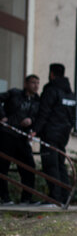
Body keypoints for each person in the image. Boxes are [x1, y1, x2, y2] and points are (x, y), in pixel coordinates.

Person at [32, 63, 76, 204]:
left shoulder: (51, 90)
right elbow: (73, 116)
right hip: (63, 134)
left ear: (51, 74)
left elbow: (44, 112)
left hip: (50, 133)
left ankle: (54, 197)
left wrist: (35, 130)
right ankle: (65, 196)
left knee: (50, 165)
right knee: (60, 163)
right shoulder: (70, 93)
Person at [0, 75, 40, 205]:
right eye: (33, 83)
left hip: (22, 137)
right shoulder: (14, 93)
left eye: (37, 83)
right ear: (26, 84)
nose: (36, 86)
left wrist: (31, 121)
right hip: (7, 134)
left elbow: (39, 116)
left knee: (29, 167)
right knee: (3, 167)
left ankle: (27, 198)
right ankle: (4, 198)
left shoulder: (37, 101)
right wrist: (2, 116)